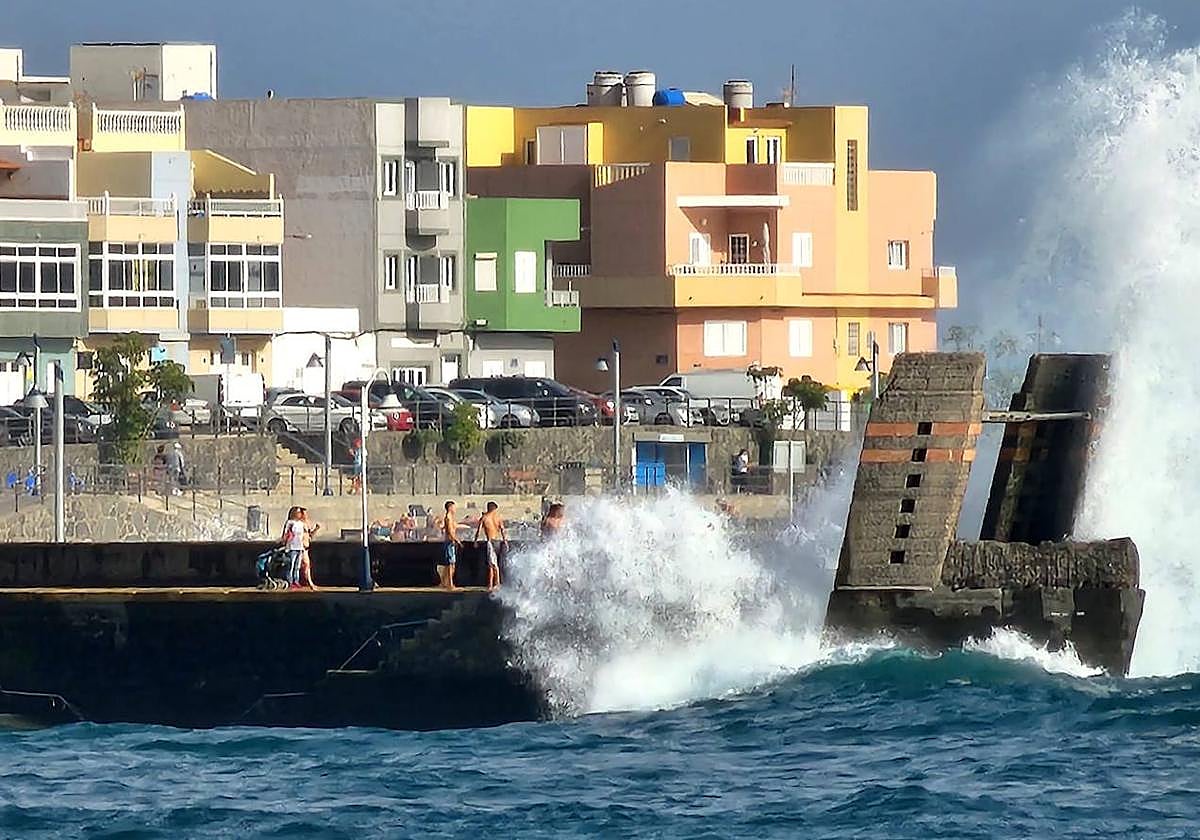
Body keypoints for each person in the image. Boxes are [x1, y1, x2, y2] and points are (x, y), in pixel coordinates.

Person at [474, 501, 508, 592]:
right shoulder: (498, 518)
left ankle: (493, 584)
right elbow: (502, 530)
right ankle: (495, 584)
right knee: (495, 563)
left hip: (490, 542)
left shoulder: (484, 518)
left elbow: (478, 531)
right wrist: (505, 540)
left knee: (492, 564)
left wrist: (475, 541)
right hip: (498, 541)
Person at [280, 506, 306, 589]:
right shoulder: (290, 522)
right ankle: (290, 581)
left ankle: (296, 581)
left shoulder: (301, 523)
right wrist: (284, 542)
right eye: (298, 512)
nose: (299, 514)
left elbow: (305, 534)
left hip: (300, 546)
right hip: (292, 546)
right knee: (291, 565)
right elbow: (286, 533)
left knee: (297, 566)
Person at [438, 499, 460, 590]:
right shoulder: (448, 518)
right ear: (450, 508)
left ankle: (444, 582)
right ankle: (450, 584)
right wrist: (457, 541)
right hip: (450, 543)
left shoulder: (450, 518)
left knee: (449, 565)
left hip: (450, 542)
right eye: (454, 507)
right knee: (451, 565)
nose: (455, 509)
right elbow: (450, 532)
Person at [299, 507, 321, 590]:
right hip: (301, 547)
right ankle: (309, 583)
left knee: (306, 565)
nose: (306, 515)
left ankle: (307, 582)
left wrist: (316, 529)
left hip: (306, 547)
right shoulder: (299, 524)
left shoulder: (306, 523)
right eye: (304, 513)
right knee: (305, 565)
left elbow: (310, 535)